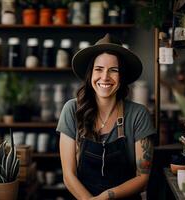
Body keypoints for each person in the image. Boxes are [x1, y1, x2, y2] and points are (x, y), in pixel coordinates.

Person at [56, 33, 155, 199]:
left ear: (122, 77)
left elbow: (143, 178)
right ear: (90, 74)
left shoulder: (138, 114)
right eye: (99, 69)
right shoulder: (72, 110)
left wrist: (105, 197)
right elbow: (68, 175)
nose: (105, 77)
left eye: (113, 70)